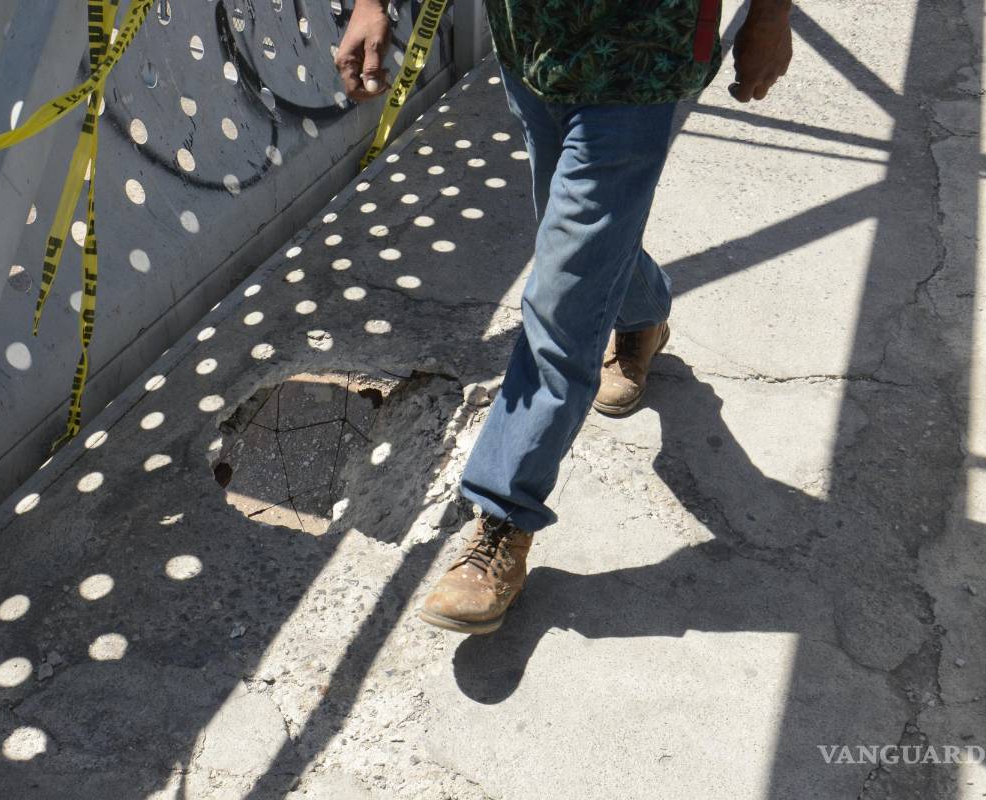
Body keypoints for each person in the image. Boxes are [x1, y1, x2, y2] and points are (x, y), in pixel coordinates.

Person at [336, 0, 793, 634]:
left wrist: (770, 16)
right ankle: (643, 312)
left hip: (640, 58)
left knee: (563, 299)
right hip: (532, 47)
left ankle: (503, 516)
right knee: (579, 241)